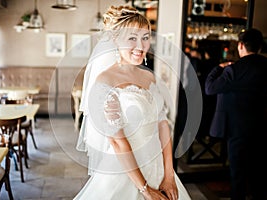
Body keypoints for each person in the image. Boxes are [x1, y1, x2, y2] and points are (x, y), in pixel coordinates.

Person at [74, 5, 191, 200]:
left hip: (159, 168)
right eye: (132, 38)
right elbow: (117, 141)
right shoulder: (104, 81)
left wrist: (169, 175)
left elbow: (163, 125)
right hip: (124, 171)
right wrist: (145, 190)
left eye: (145, 38)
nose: (140, 46)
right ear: (115, 39)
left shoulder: (149, 78)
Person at [205, 28, 267, 200]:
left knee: (238, 174)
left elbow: (210, 88)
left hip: (237, 129)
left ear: (241, 45)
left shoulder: (234, 70)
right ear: (259, 46)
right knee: (259, 172)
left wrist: (218, 68)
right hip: (262, 126)